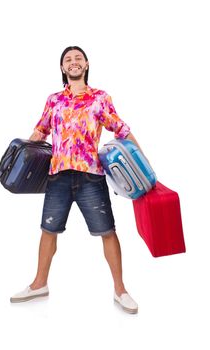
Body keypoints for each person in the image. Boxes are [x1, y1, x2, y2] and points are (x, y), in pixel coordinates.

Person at [10, 46, 141, 314]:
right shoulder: (54, 100)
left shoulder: (100, 99)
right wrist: (17, 157)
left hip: (90, 175)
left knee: (107, 231)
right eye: (68, 60)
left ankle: (120, 290)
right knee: (48, 230)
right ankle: (39, 284)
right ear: (62, 68)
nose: (73, 62)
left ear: (86, 64)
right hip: (57, 175)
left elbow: (122, 129)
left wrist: (143, 164)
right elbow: (40, 131)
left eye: (78, 58)